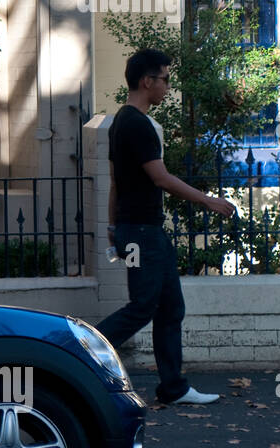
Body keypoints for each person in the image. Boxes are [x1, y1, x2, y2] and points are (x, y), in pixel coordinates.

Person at [98, 49, 236, 405]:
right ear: (147, 81)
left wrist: (113, 225)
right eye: (165, 80)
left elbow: (116, 181)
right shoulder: (137, 125)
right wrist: (209, 200)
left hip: (141, 230)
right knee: (143, 307)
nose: (168, 88)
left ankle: (173, 387)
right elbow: (160, 178)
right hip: (142, 232)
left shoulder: (120, 122)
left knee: (170, 307)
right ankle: (80, 350)